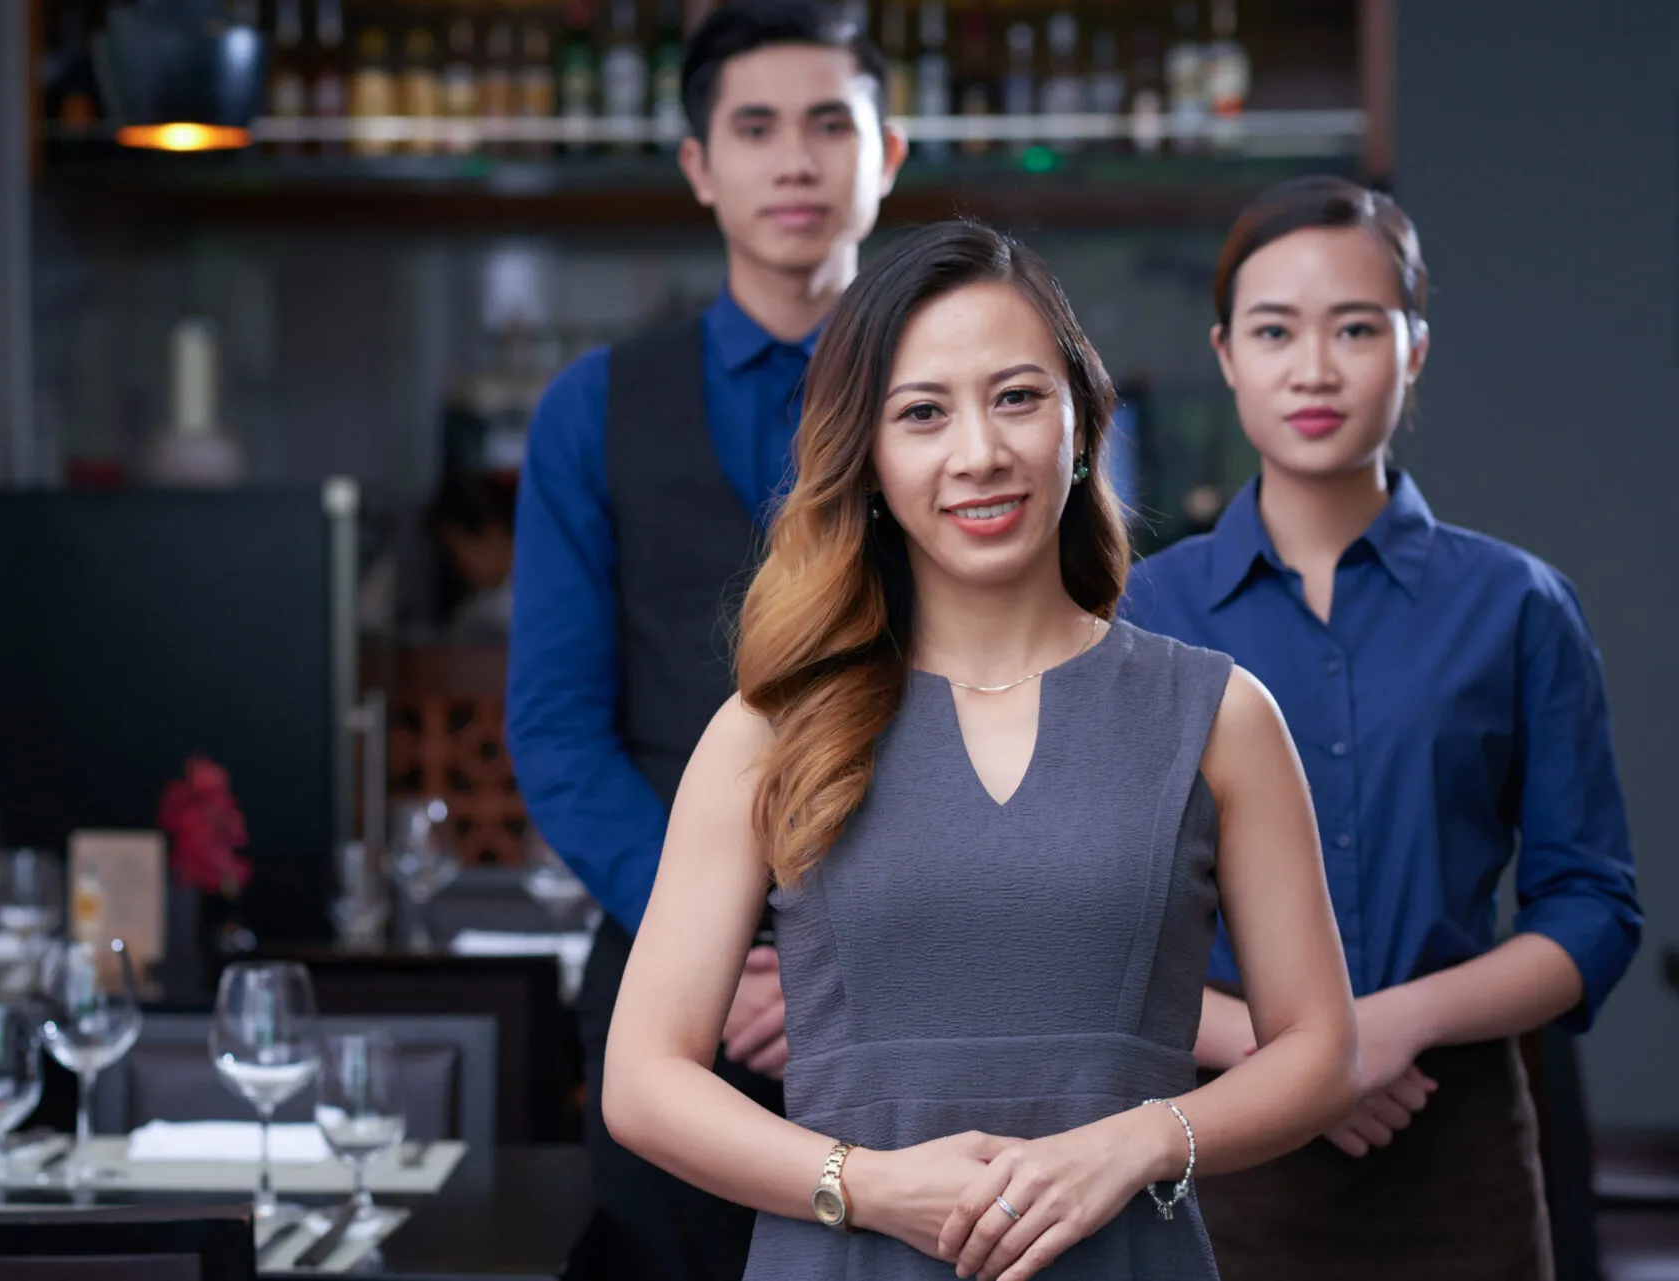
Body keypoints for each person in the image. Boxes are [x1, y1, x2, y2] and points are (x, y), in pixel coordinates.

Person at [601, 219, 1361, 1281]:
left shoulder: (1222, 715)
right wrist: (863, 1183)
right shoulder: (766, 733)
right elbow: (641, 1080)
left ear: (1082, 422)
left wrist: (1141, 1142)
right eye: (922, 414)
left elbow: (1323, 1052)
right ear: (865, 456)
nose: (979, 453)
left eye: (1016, 397)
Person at [1122, 176, 1642, 1280]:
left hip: (1449, 1137)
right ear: (1226, 355)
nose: (1314, 368)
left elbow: (1593, 907)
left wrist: (1383, 1027)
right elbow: (1081, 919)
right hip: (1211, 1137)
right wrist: (1285, 1054)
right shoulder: (1137, 616)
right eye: (1275, 331)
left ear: (1412, 350)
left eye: (1356, 328)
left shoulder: (1517, 606)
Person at [504, 3, 907, 1278]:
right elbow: (558, 730)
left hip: (927, 970)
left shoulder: (960, 395)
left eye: (830, 124)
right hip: (674, 999)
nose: (795, 162)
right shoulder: (595, 409)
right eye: (756, 128)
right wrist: (720, 949)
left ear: (888, 154)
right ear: (698, 167)